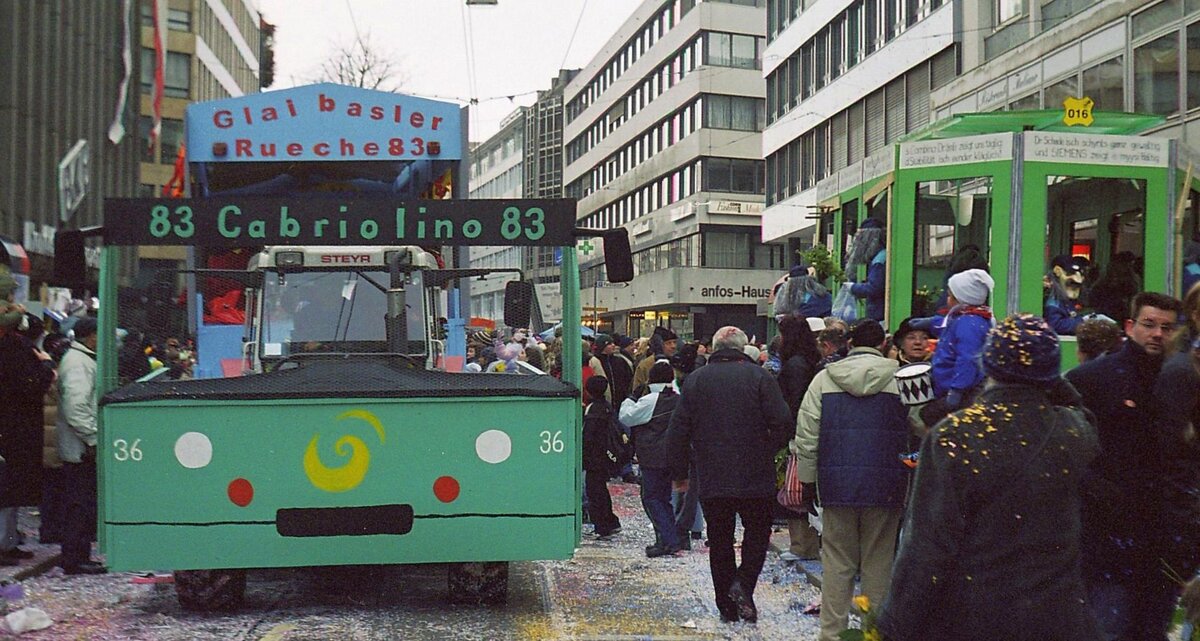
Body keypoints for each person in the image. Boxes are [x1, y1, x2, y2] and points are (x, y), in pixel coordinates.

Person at [876, 314, 1101, 641]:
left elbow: (927, 545)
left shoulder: (955, 435)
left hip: (976, 614)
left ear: (989, 366)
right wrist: (1050, 378)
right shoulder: (1071, 432)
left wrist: (895, 624)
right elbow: (1081, 411)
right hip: (1057, 616)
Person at [1066, 291, 1184, 639]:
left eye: (1166, 327)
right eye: (1149, 325)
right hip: (1109, 535)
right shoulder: (1094, 379)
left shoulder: (1181, 381)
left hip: (1161, 536)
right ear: (1131, 326)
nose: (1157, 334)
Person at [791, 320, 910, 641]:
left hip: (836, 485)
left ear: (849, 343)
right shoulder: (900, 380)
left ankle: (832, 635)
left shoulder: (824, 380)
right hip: (887, 486)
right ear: (884, 343)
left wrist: (808, 479)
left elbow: (807, 435)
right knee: (878, 564)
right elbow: (919, 428)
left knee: (837, 564)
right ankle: (872, 633)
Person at [666, 326, 793, 623]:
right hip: (755, 472)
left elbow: (679, 430)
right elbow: (783, 420)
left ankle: (726, 604)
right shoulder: (761, 377)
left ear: (714, 348)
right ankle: (744, 583)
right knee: (758, 533)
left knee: (720, 539)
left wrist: (679, 472)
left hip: (713, 471)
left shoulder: (696, 381)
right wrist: (766, 447)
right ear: (743, 348)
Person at [0, 299, 57, 565]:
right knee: (10, 491)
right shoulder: (18, 349)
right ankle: (5, 544)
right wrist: (46, 367)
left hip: (12, 427)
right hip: (18, 428)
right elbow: (31, 385)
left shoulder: (11, 346)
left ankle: (8, 542)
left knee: (10, 491)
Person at [55, 316, 107, 574]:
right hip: (81, 449)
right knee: (79, 504)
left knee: (81, 503)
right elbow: (76, 408)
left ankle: (78, 555)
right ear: (91, 336)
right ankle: (75, 558)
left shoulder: (81, 360)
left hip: (80, 447)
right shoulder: (79, 364)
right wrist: (94, 437)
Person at [620, 361, 682, 557]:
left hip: (652, 456)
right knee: (664, 498)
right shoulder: (678, 398)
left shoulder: (650, 400)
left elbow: (626, 417)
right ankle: (668, 538)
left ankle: (668, 540)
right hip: (673, 455)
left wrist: (630, 399)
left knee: (652, 498)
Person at [775, 314, 824, 563]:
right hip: (808, 430)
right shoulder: (809, 361)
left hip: (797, 434)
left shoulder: (794, 365)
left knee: (794, 491)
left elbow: (794, 402)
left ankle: (801, 545)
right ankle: (807, 544)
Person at [923, 268, 994, 428]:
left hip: (960, 391)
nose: (947, 300)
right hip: (951, 386)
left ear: (961, 298)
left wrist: (957, 390)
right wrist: (929, 322)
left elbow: (968, 359)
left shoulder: (968, 324)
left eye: (950, 296)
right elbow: (947, 327)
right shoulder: (969, 319)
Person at [581, 375, 621, 539]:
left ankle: (603, 524)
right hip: (604, 455)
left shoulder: (592, 410)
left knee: (595, 491)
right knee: (601, 490)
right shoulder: (606, 407)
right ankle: (609, 521)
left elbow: (588, 437)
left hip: (594, 458)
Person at [846, 218, 887, 321]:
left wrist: (853, 287)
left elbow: (874, 288)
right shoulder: (880, 256)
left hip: (879, 314)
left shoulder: (880, 259)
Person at [1044, 255, 1088, 335]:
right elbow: (1055, 325)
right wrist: (1084, 322)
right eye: (1070, 272)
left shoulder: (1069, 301)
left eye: (1081, 274)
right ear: (1058, 271)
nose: (1078, 280)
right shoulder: (1053, 302)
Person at [632, 326, 677, 393]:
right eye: (668, 343)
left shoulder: (677, 363)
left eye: (674, 342)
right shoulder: (646, 365)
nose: (673, 346)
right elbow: (637, 390)